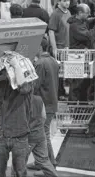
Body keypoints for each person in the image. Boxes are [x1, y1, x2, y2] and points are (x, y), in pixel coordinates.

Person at [27, 38, 59, 175]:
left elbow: (34, 86)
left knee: (43, 135)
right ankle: (41, 162)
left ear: (40, 47)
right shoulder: (53, 60)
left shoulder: (40, 63)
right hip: (52, 102)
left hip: (44, 105)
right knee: (44, 134)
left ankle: (49, 165)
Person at [0, 72, 33, 177]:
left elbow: (23, 89)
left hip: (20, 134)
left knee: (20, 172)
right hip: (1, 134)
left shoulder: (27, 79)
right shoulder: (2, 82)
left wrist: (15, 66)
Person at [12, 95, 58, 177]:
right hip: (40, 134)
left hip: (26, 137)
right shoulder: (39, 99)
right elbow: (44, 117)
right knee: (44, 161)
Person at [67, 4, 95, 102]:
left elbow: (88, 21)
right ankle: (73, 108)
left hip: (81, 56)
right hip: (76, 57)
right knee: (76, 84)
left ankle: (83, 103)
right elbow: (89, 36)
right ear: (80, 13)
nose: (89, 15)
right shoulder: (76, 26)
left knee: (84, 82)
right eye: (87, 13)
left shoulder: (80, 21)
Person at [48, 0, 71, 100]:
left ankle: (61, 93)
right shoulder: (56, 14)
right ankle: (57, 94)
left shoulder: (68, 12)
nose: (67, 2)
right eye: (64, 0)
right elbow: (51, 31)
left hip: (66, 47)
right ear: (59, 2)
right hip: (58, 47)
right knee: (57, 73)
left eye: (68, 0)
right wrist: (54, 48)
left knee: (63, 72)